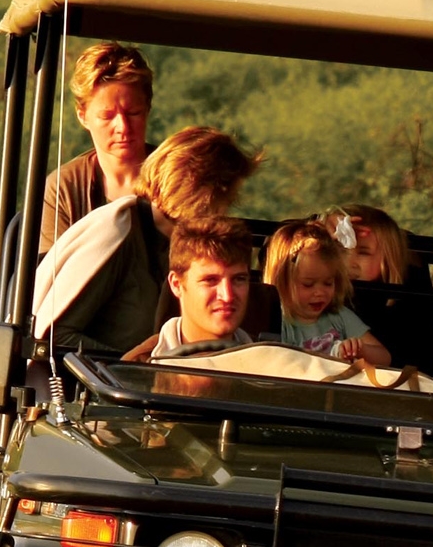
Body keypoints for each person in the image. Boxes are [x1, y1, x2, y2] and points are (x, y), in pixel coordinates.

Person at [32, 127, 262, 358]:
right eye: (229, 196)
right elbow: (52, 338)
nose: (228, 209)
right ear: (205, 193)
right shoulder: (115, 233)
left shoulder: (182, 245)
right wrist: (133, 369)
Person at [40, 43, 155, 252]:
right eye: (107, 116)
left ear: (147, 108)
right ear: (82, 116)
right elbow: (53, 276)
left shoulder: (180, 176)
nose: (123, 127)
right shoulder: (64, 187)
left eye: (133, 113)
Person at [128, 218, 265, 361]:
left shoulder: (270, 363)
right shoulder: (135, 370)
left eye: (239, 279)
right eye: (210, 280)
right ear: (176, 284)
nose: (227, 296)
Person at [264, 219, 393, 366]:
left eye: (328, 283)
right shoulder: (280, 321)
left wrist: (359, 349)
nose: (319, 292)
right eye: (308, 284)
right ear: (282, 282)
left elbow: (385, 358)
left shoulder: (339, 315)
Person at [330, 203, 433, 369]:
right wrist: (315, 230)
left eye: (364, 252)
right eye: (341, 249)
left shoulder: (406, 310)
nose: (349, 262)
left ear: (388, 260)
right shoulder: (320, 295)